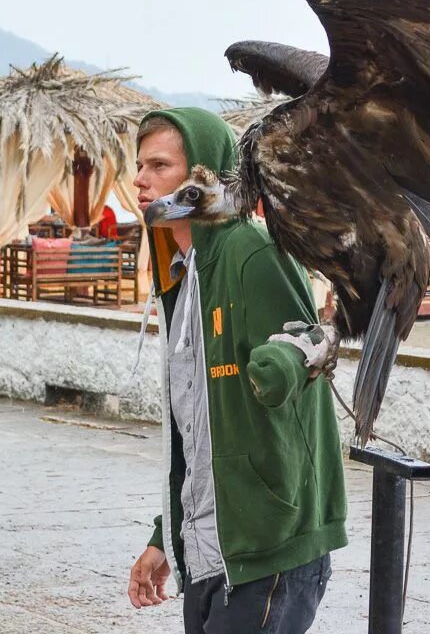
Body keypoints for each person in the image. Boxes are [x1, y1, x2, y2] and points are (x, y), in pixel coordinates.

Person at [126, 109, 346, 633]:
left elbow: (306, 346)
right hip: (207, 545)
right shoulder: (181, 273)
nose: (139, 179)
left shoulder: (254, 251)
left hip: (269, 545)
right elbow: (195, 426)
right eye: (139, 165)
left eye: (159, 165)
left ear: (203, 175)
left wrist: (285, 364)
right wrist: (166, 533)